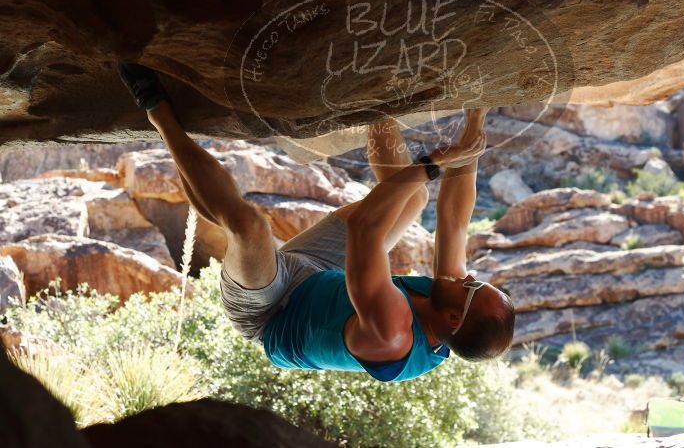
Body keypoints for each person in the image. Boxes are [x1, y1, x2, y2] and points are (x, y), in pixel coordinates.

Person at [117, 62, 515, 382]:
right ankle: (377, 100)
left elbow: (366, 228)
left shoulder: (394, 332)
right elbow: (453, 222)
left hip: (271, 312)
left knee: (248, 226)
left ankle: (157, 110)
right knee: (414, 199)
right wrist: (474, 126)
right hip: (321, 276)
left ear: (453, 319)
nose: (467, 277)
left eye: (473, 286)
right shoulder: (450, 305)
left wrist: (431, 164)